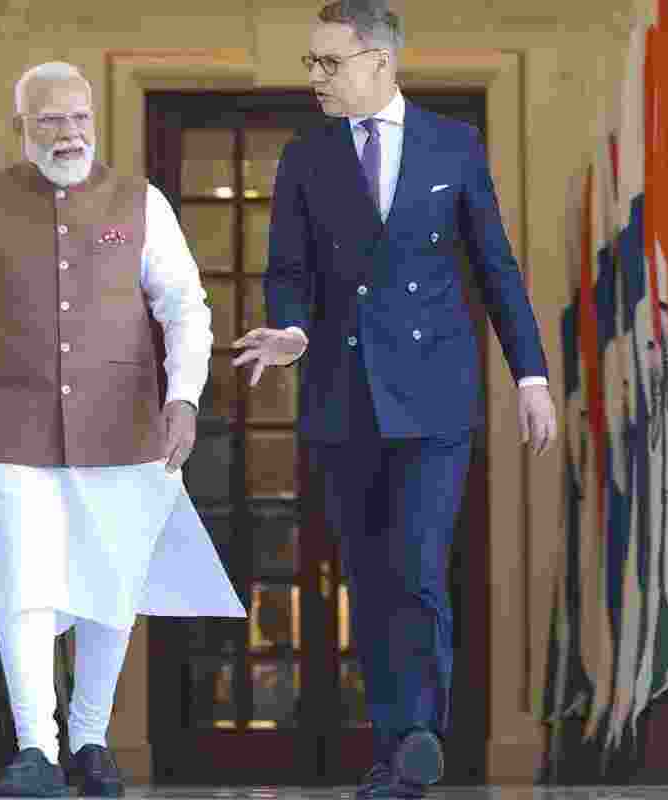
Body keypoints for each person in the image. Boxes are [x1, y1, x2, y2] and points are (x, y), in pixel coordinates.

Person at [232, 1, 558, 796]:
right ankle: (394, 756)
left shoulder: (455, 144)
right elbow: (287, 269)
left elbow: (496, 267)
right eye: (311, 62)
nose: (314, 77)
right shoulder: (306, 157)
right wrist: (291, 329)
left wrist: (532, 376)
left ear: (379, 61)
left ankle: (416, 731)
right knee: (371, 578)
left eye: (328, 63)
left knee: (415, 563)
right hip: (343, 393)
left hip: (434, 397)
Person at [0, 61, 246, 798]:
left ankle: (91, 740)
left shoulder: (141, 202)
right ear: (22, 129)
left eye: (79, 118)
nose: (68, 132)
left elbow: (186, 309)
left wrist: (186, 398)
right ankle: (35, 749)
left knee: (111, 586)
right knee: (24, 588)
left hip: (126, 430)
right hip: (12, 431)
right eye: (50, 120)